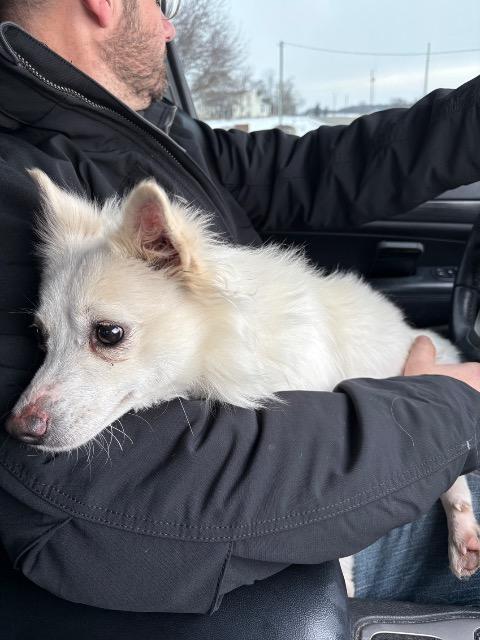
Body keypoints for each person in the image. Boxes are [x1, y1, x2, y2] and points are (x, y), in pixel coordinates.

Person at [0, 0, 480, 614]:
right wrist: (447, 409)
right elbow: (123, 495)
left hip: (352, 436)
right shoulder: (16, 172)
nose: (171, 26)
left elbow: (322, 171)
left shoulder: (154, 133)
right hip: (284, 511)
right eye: (162, 3)